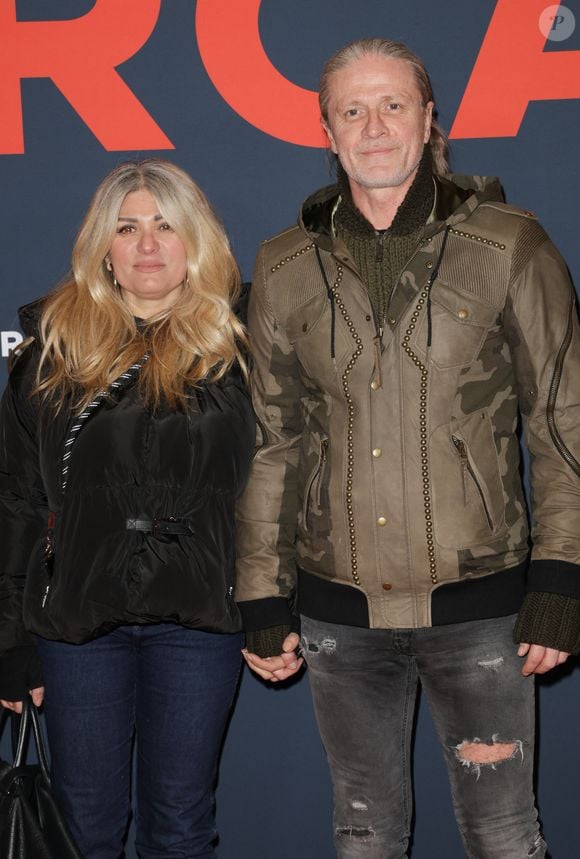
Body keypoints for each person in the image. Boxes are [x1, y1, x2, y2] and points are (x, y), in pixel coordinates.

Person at [235, 38, 580, 858]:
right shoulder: (283, 265)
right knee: (364, 834)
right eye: (352, 110)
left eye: (393, 104)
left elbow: (562, 421)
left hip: (484, 609)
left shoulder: (511, 245)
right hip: (338, 613)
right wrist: (261, 594)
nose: (375, 126)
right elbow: (274, 442)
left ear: (429, 120)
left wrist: (562, 576)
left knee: (504, 834)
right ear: (327, 131)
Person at [0, 159, 256, 859]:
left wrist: (272, 604)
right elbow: (15, 499)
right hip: (78, 622)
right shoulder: (51, 350)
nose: (147, 244)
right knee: (84, 828)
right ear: (102, 248)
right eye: (127, 227)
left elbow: (276, 488)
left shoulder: (242, 346)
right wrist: (9, 638)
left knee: (180, 826)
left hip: (198, 618)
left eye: (166, 225)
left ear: (195, 240)